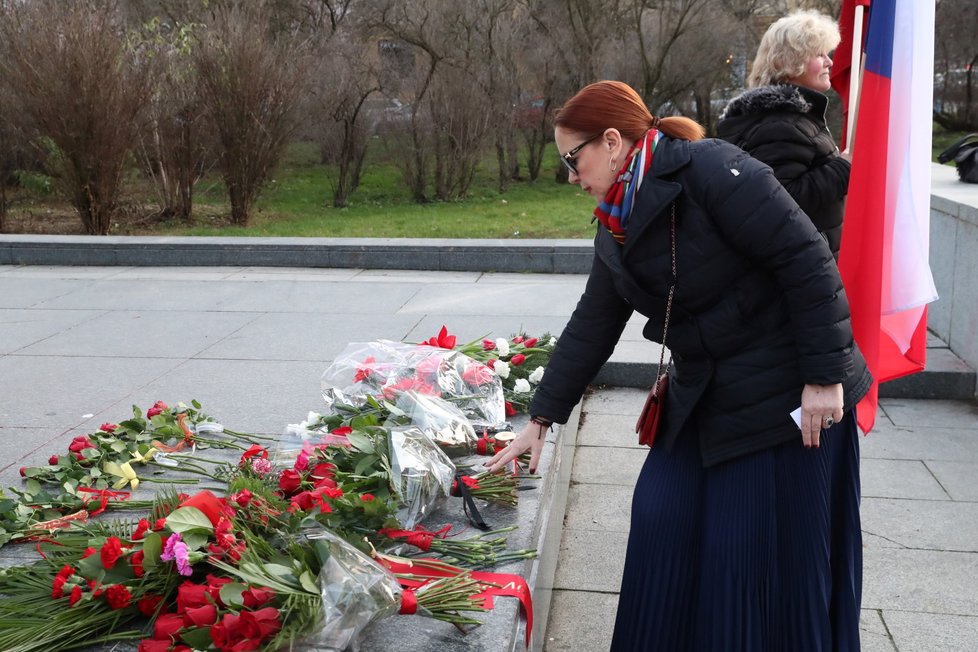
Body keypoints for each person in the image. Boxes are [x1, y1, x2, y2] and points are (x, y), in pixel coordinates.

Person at [487, 80, 872, 651]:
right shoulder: (615, 216)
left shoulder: (711, 169)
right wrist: (541, 417)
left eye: (574, 158)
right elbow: (594, 319)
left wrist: (823, 376)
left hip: (786, 396)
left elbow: (807, 258)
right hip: (703, 393)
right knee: (660, 521)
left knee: (744, 562)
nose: (571, 176)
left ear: (613, 141)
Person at [717, 10, 851, 259]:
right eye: (819, 54)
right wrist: (843, 169)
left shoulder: (791, 117)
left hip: (808, 262)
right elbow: (783, 199)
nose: (829, 62)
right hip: (802, 269)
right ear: (790, 61)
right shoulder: (778, 123)